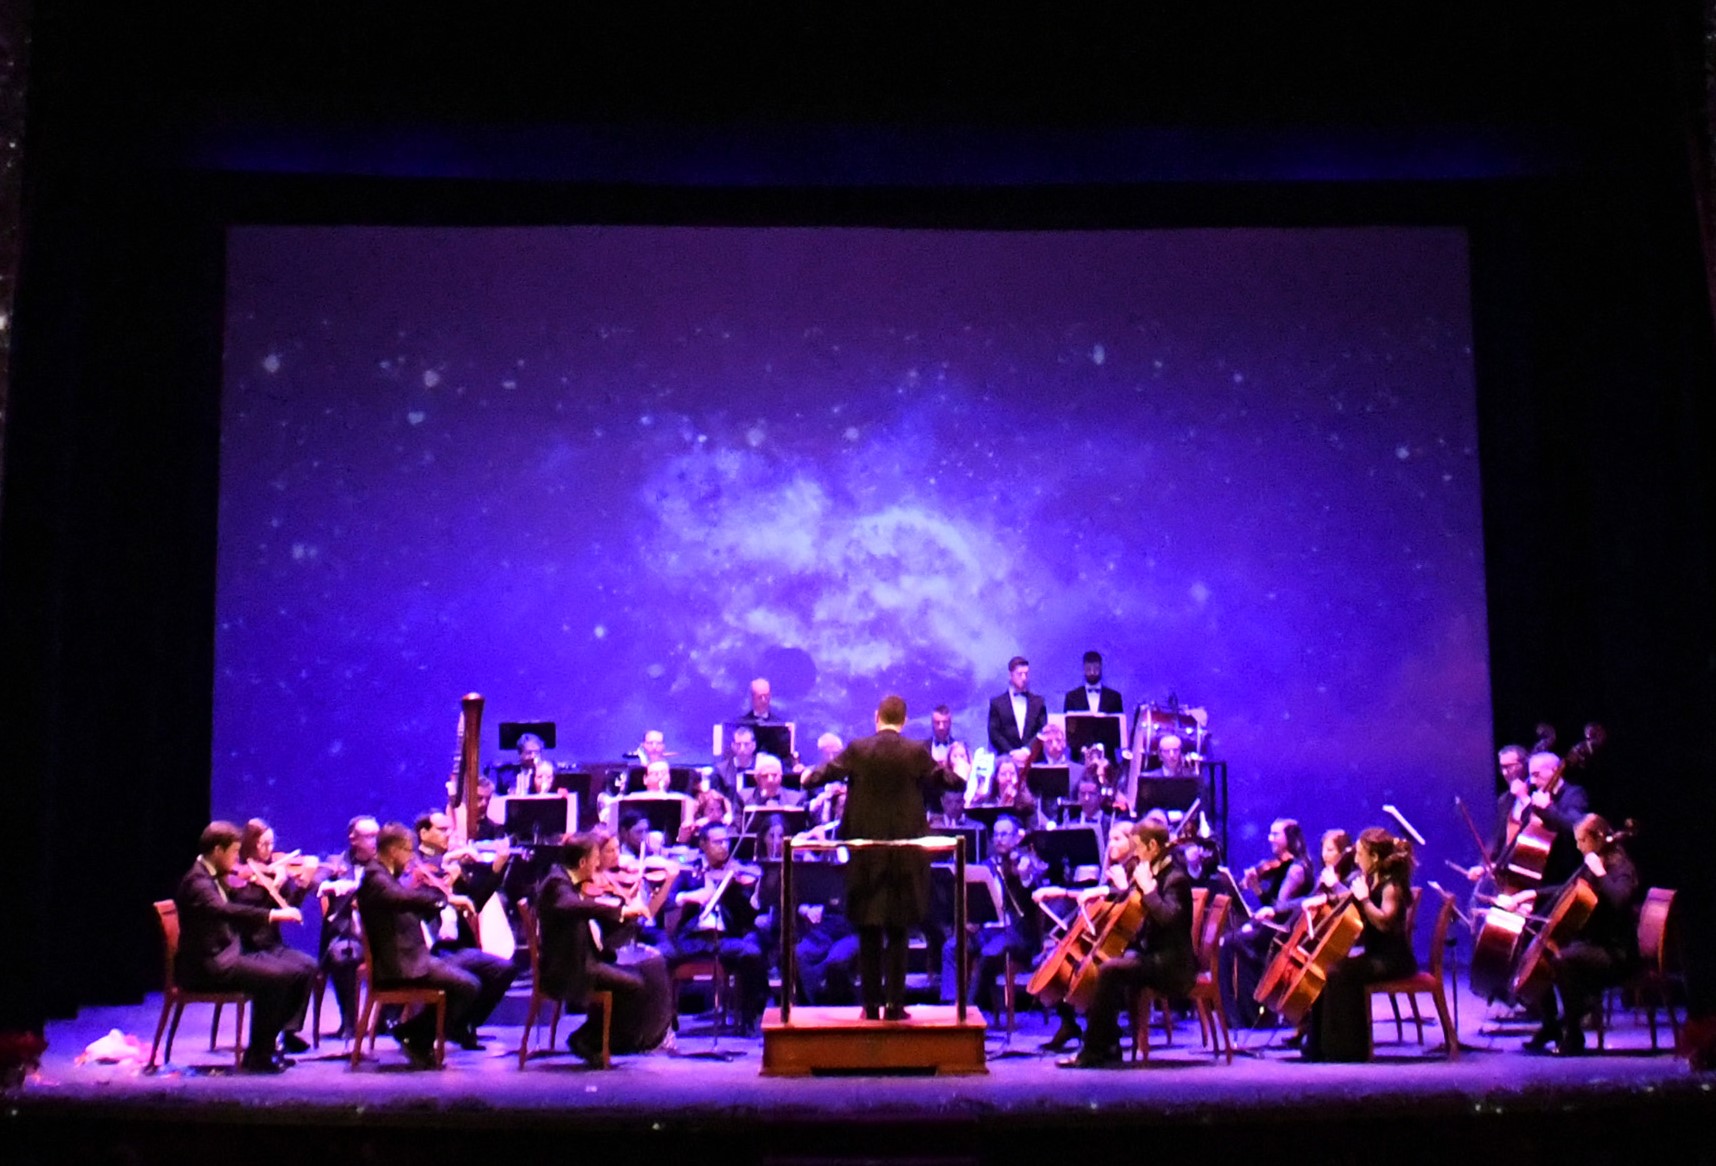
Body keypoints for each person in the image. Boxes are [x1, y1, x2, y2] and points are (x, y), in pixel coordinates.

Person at [804, 693, 964, 1020]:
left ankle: (871, 1005)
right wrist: (959, 771)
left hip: (866, 856)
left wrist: (807, 776)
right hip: (905, 858)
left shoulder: (858, 749)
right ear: (904, 721)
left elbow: (820, 776)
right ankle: (895, 1005)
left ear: (877, 717)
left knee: (868, 931)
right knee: (899, 931)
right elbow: (950, 782)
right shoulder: (915, 752)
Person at [173, 821, 312, 1073]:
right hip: (208, 965)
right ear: (218, 850)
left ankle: (266, 1047)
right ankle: (259, 1055)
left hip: (226, 954)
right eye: (234, 852)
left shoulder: (211, 876)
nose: (238, 859)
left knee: (295, 971)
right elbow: (224, 910)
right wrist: (272, 914)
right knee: (277, 977)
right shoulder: (198, 882)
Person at [1058, 821, 1197, 1067]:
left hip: (1172, 965)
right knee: (1107, 966)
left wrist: (1148, 889)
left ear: (1152, 846)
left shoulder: (1175, 879)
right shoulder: (1152, 873)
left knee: (1110, 970)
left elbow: (1168, 920)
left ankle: (1094, 1051)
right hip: (1152, 955)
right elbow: (1139, 917)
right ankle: (1109, 1044)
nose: (1134, 853)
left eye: (1138, 847)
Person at [1513, 813, 1643, 1055]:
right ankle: (1551, 1024)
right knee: (1543, 953)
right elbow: (1569, 889)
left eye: (1582, 840)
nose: (1578, 846)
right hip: (1594, 945)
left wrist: (1601, 874)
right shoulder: (1594, 862)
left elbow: (1619, 901)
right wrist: (1532, 894)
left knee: (1563, 959)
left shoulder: (1621, 867)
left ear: (1597, 838)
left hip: (1619, 953)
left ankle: (1574, 1034)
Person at [356, 822, 482, 1068]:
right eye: (407, 851)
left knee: (470, 981)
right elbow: (401, 898)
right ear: (393, 850)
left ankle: (414, 1035)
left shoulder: (385, 875)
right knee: (468, 986)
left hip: (410, 957)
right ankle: (415, 1036)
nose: (411, 857)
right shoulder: (375, 877)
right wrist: (441, 901)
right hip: (399, 965)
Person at [536, 832, 657, 1062]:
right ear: (582, 862)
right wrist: (620, 910)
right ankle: (587, 1039)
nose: (598, 863)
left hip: (579, 960)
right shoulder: (557, 884)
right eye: (595, 858)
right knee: (635, 986)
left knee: (634, 978)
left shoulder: (565, 879)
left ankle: (598, 1038)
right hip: (566, 970)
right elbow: (571, 905)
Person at [1303, 826, 1417, 1062]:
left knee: (1339, 972)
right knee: (1327, 968)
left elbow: (1384, 922)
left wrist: (1365, 899)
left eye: (1360, 854)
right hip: (1376, 956)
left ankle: (1347, 1050)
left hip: (1393, 961)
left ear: (1374, 857)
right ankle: (1318, 1046)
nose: (1355, 859)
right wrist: (1324, 899)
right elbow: (1349, 899)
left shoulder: (1392, 886)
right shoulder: (1372, 879)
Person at [409, 811, 519, 1049]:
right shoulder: (414, 864)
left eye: (450, 829)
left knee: (505, 969)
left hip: (456, 946)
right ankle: (424, 1029)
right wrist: (446, 866)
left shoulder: (451, 867)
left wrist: (497, 867)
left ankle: (462, 1023)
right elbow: (418, 898)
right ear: (424, 833)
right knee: (471, 979)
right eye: (442, 830)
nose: (449, 834)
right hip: (430, 948)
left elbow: (474, 902)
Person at [662, 822, 769, 1034]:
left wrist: (745, 892)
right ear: (703, 844)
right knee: (659, 957)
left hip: (724, 939)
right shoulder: (688, 870)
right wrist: (688, 896)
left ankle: (749, 1019)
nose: (724, 846)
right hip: (692, 938)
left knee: (752, 953)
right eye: (717, 842)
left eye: (726, 841)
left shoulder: (737, 873)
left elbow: (749, 916)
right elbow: (667, 901)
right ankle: (664, 1022)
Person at [230, 819, 320, 1053]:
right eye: (264, 844)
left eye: (272, 843)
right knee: (287, 973)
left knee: (309, 966)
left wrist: (303, 884)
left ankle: (287, 1031)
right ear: (250, 843)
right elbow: (248, 911)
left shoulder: (273, 870)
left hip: (272, 943)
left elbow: (288, 908)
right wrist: (272, 886)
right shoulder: (239, 874)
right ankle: (268, 1038)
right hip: (249, 944)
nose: (269, 850)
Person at [1219, 818, 1313, 1027]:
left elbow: (1279, 908)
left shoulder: (1296, 870)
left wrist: (1260, 899)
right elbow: (1271, 905)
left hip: (1286, 932)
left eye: (1275, 834)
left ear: (1290, 838)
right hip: (1275, 927)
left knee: (1231, 942)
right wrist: (1256, 888)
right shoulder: (1283, 866)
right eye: (1270, 833)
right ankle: (1241, 1013)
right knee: (1231, 941)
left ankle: (1248, 1014)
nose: (1270, 838)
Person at [317, 814, 380, 1039]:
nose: (375, 841)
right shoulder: (337, 862)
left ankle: (386, 1019)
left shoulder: (384, 863)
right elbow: (317, 881)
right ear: (353, 839)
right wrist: (331, 884)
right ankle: (350, 1022)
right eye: (369, 836)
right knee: (343, 956)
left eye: (377, 835)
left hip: (381, 936)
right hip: (349, 935)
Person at [987, 656, 1048, 765]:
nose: (1024, 678)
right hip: (1006, 762)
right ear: (1010, 675)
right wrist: (1011, 753)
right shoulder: (997, 703)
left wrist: (1027, 750)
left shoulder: (1039, 702)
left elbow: (1042, 729)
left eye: (1026, 674)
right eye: (1020, 674)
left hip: (1034, 760)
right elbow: (994, 733)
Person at [1064, 650, 1125, 715]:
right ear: (1083, 669)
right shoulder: (1071, 697)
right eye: (1088, 669)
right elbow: (1066, 721)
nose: (1092, 673)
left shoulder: (1114, 697)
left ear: (1101, 669)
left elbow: (1120, 720)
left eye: (1096, 669)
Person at [713, 725, 759, 796]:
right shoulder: (721, 770)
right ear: (733, 746)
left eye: (746, 744)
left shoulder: (762, 767)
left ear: (754, 745)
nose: (742, 749)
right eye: (738, 744)